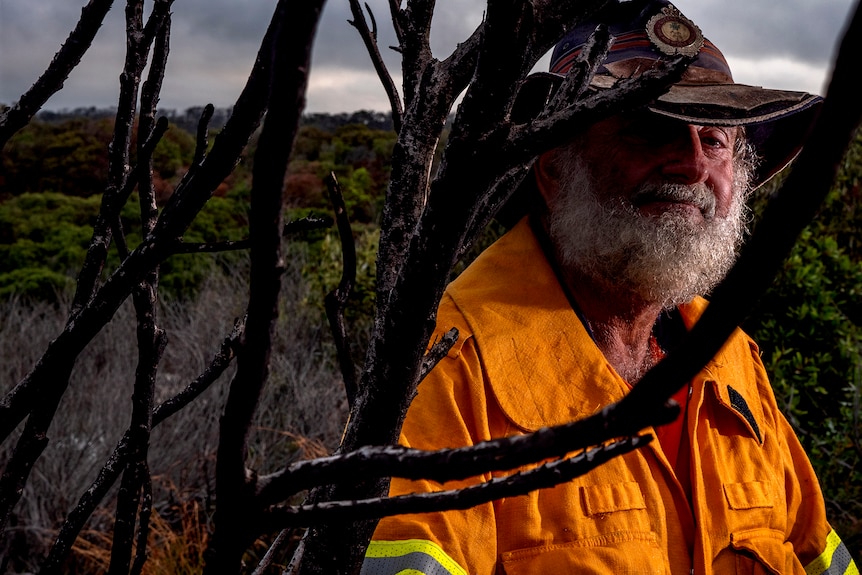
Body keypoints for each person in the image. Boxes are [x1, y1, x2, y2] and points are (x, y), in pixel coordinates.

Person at [361, 1, 859, 573]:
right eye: (651, 130)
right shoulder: (450, 365)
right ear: (552, 167)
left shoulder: (731, 358)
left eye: (715, 138)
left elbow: (817, 552)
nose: (693, 164)